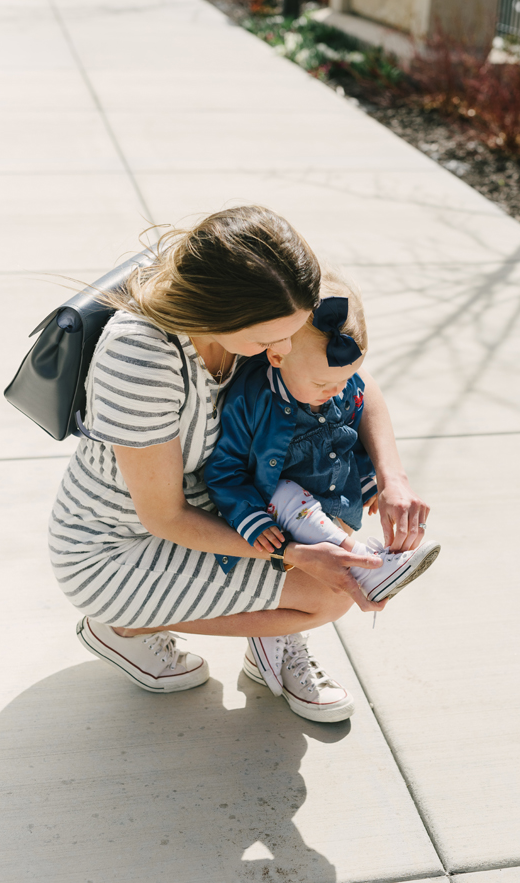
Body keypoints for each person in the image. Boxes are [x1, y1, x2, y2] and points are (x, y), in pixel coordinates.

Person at [49, 205, 430, 724]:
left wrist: (391, 478)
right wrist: (291, 554)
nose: (283, 350)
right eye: (271, 341)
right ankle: (121, 627)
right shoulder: (142, 358)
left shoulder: (268, 318)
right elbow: (165, 517)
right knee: (327, 596)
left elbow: (350, 378)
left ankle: (269, 641)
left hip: (213, 502)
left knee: (325, 518)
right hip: (117, 544)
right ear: (220, 314)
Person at [203, 266, 440, 705]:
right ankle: (366, 562)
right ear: (276, 354)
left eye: (346, 379)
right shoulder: (252, 400)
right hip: (274, 509)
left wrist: (371, 480)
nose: (336, 392)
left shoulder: (339, 385)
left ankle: (278, 648)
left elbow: (350, 433)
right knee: (297, 512)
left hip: (331, 498)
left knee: (310, 587)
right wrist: (249, 517)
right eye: (322, 383)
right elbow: (224, 471)